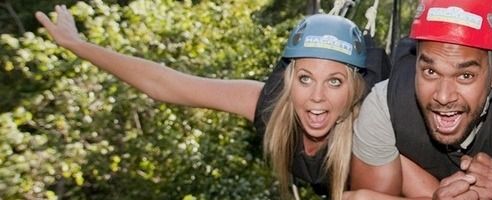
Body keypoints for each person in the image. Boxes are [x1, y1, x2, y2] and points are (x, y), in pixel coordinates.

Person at [36, 6, 372, 199]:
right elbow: (165, 83)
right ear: (289, 81)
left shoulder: (370, 130)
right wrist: (77, 45)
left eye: (334, 81)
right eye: (305, 78)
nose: (316, 96)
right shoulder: (268, 105)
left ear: (353, 90)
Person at [346, 0, 492, 199]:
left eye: (465, 76)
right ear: (416, 63)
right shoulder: (383, 107)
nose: (443, 97)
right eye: (430, 72)